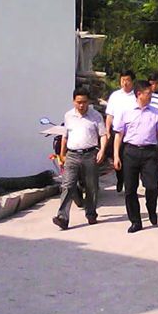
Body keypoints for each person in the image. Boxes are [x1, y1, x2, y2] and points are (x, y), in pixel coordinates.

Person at [113, 80, 158, 233]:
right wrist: (116, 156)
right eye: (148, 93)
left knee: (152, 186)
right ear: (139, 94)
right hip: (130, 152)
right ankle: (135, 221)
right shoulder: (126, 111)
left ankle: (151, 208)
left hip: (150, 153)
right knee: (130, 189)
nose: (150, 96)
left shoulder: (156, 113)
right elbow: (119, 135)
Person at [52, 88, 108, 230]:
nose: (81, 105)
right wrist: (62, 154)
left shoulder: (95, 116)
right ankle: (62, 217)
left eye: (84, 102)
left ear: (88, 101)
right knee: (67, 185)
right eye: (78, 102)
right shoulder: (68, 116)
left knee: (91, 186)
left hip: (90, 154)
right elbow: (65, 136)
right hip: (72, 155)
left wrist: (102, 151)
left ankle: (91, 213)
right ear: (73, 101)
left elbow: (103, 135)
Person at [105, 69, 137, 193]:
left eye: (127, 80)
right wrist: (107, 131)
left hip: (132, 132)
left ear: (132, 81)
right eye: (122, 80)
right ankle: (120, 179)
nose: (125, 83)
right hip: (117, 132)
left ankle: (130, 184)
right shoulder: (115, 96)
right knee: (117, 157)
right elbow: (109, 115)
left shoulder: (136, 96)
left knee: (130, 159)